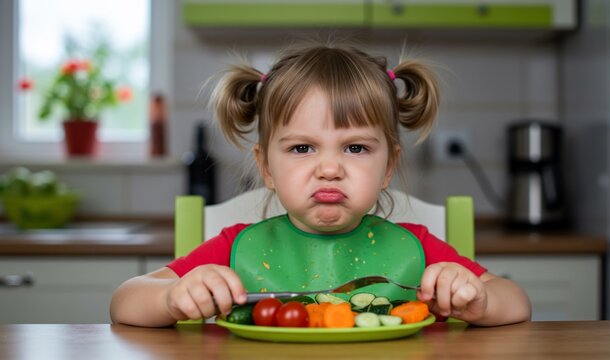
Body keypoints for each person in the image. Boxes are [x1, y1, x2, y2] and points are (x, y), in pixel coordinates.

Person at [110, 43, 531, 327]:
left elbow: (517, 303)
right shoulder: (233, 248)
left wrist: (481, 299)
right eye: (301, 149)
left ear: (389, 167)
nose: (329, 169)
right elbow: (125, 301)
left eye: (356, 149)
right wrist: (171, 298)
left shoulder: (417, 248)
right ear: (266, 168)